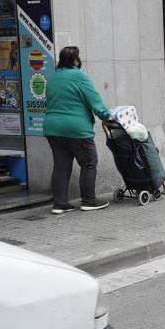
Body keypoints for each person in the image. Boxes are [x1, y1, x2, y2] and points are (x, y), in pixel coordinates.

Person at [44, 46, 112, 214]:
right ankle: (88, 200)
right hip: (76, 129)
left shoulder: (52, 78)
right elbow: (94, 100)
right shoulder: (79, 76)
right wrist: (106, 116)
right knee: (89, 162)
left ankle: (60, 204)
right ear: (75, 60)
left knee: (61, 166)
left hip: (53, 129)